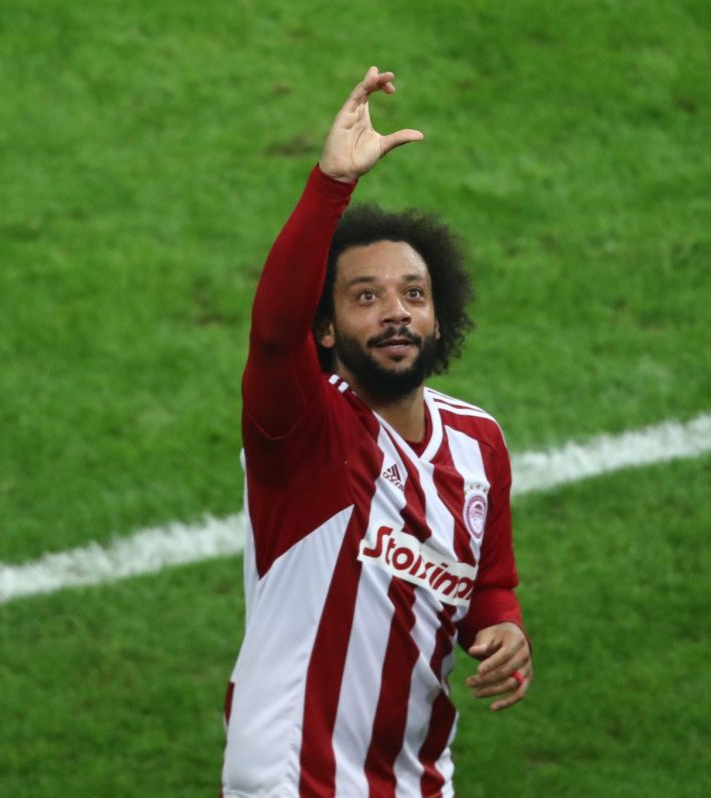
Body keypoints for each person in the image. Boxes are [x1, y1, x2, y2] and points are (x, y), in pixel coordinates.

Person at [223, 66, 532, 797]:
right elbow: (273, 335)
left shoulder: (479, 443)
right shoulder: (304, 434)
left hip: (418, 781)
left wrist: (503, 628)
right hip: (292, 781)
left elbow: (488, 582)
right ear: (326, 329)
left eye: (413, 295)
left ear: (439, 318)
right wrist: (331, 185)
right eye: (365, 297)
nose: (395, 311)